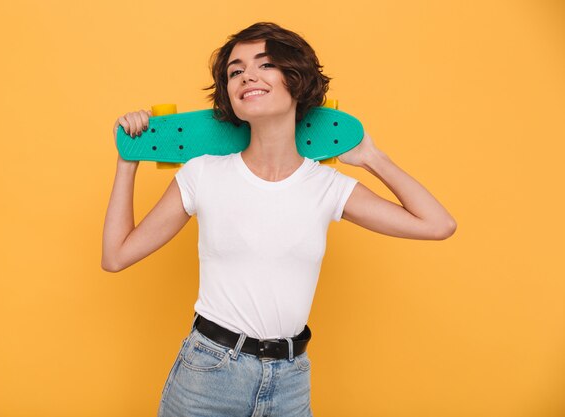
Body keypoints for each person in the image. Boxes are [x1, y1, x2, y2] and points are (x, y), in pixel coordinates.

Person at [102, 22, 456, 417]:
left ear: (296, 81)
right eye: (235, 71)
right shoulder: (202, 174)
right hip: (208, 375)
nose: (247, 75)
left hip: (290, 380)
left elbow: (437, 225)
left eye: (265, 64)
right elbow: (115, 256)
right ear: (230, 96)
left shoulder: (326, 186)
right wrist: (127, 162)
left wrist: (372, 157)